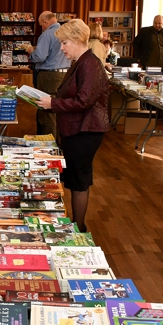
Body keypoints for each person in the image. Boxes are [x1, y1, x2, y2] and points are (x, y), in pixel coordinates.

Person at [37, 19, 109, 233]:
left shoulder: (89, 64)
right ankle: (76, 225)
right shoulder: (81, 62)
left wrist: (53, 103)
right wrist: (51, 102)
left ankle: (79, 229)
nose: (61, 48)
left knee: (79, 180)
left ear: (78, 40)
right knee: (76, 178)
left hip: (84, 131)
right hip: (76, 128)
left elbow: (83, 101)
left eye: (65, 43)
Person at [24, 11, 70, 137]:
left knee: (46, 111)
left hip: (49, 75)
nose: (42, 28)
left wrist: (31, 52)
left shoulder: (47, 34)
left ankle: (47, 145)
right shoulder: (65, 32)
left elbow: (40, 57)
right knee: (58, 110)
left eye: (41, 25)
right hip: (64, 74)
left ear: (45, 22)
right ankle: (58, 144)